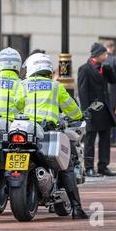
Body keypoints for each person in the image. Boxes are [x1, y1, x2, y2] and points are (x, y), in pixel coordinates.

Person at [16, 53, 88, 219]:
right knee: (65, 166)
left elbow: (16, 106)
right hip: (48, 132)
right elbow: (72, 109)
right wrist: (79, 116)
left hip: (26, 131)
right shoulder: (56, 87)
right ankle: (76, 208)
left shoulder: (23, 85)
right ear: (47, 68)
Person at [78, 43, 116, 177]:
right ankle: (89, 168)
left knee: (105, 139)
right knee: (90, 141)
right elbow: (83, 92)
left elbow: (113, 81)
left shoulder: (104, 68)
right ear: (97, 55)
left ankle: (103, 166)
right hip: (93, 110)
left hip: (105, 110)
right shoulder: (84, 69)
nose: (106, 56)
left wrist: (110, 70)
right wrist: (85, 111)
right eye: (104, 54)